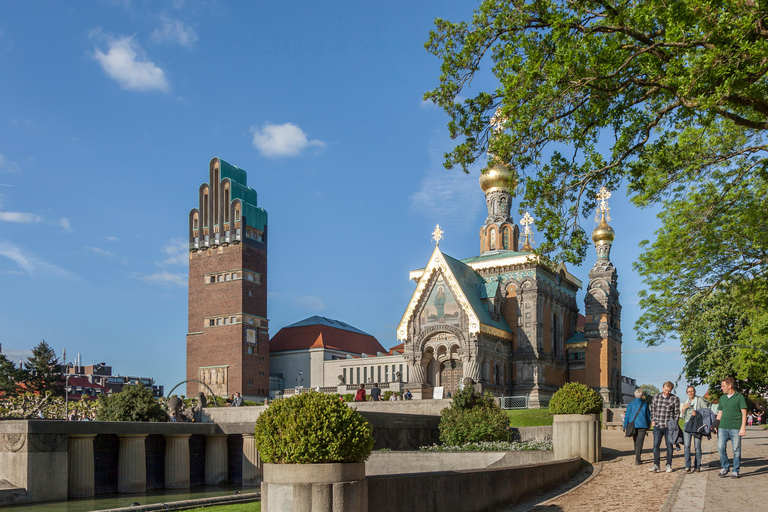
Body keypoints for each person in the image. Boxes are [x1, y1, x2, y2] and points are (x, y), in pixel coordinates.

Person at [715, 377, 748, 478]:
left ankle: (735, 470)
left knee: (736, 450)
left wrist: (743, 427)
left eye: (723, 386)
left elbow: (744, 413)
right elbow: (720, 412)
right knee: (720, 448)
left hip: (735, 427)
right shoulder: (722, 398)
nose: (721, 388)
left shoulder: (739, 397)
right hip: (723, 427)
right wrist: (716, 424)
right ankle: (725, 467)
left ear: (730, 386)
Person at [649, 381, 680, 473]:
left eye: (669, 391)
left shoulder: (675, 399)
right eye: (666, 390)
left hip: (669, 427)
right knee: (656, 445)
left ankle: (668, 465)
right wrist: (653, 420)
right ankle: (656, 465)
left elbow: (677, 413)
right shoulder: (656, 397)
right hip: (658, 425)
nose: (667, 392)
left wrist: (674, 424)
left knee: (669, 446)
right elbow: (653, 410)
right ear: (662, 388)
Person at [681, 385, 710, 473]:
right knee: (687, 446)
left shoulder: (700, 400)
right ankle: (687, 466)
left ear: (695, 392)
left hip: (697, 425)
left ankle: (697, 466)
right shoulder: (686, 402)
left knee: (697, 446)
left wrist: (697, 413)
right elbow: (683, 416)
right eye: (689, 391)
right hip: (687, 424)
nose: (690, 393)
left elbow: (706, 411)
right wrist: (683, 409)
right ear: (687, 393)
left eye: (692, 391)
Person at [623, 388, 651, 465]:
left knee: (635, 441)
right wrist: (649, 425)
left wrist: (625, 426)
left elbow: (627, 416)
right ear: (642, 396)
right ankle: (638, 459)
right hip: (642, 425)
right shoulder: (645, 404)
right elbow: (648, 416)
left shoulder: (630, 404)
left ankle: (637, 457)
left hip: (632, 425)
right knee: (640, 442)